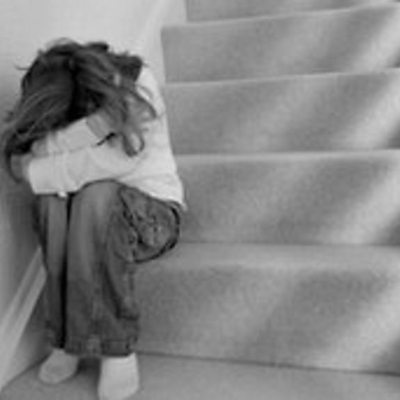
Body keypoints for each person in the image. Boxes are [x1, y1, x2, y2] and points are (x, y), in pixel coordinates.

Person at [1, 39, 185, 400]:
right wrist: (84, 132)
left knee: (97, 192)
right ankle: (64, 341)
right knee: (51, 202)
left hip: (153, 216)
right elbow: (29, 152)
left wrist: (40, 163)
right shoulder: (75, 96)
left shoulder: (137, 86)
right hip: (90, 220)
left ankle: (116, 348)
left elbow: (112, 162)